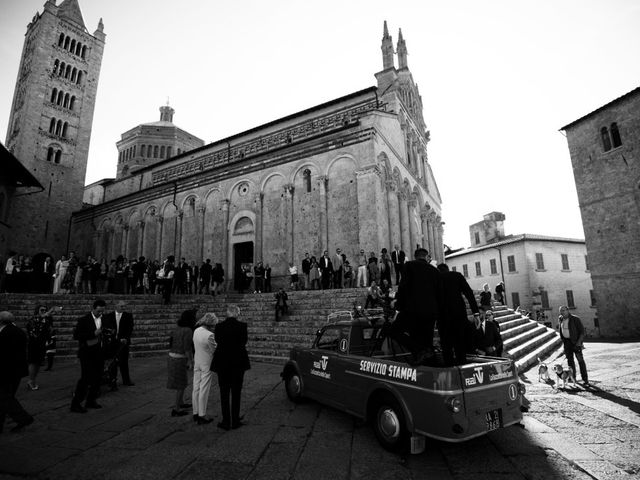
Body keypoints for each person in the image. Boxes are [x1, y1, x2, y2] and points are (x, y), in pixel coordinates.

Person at [392, 248, 442, 365]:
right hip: (430, 312)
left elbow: (403, 286)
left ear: (415, 256)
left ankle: (419, 351)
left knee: (394, 330)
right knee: (427, 341)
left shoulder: (409, 265)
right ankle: (431, 369)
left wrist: (398, 307)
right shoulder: (435, 271)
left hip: (412, 310)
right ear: (426, 257)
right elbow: (440, 294)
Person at [211, 304, 250, 431]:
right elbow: (244, 341)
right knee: (236, 392)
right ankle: (235, 419)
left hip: (222, 362)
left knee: (224, 392)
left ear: (227, 313)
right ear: (237, 313)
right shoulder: (242, 326)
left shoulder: (219, 326)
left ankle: (226, 421)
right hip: (238, 362)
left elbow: (217, 340)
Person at [437, 263, 480, 365]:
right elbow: (469, 293)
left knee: (446, 345)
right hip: (459, 314)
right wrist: (476, 313)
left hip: (443, 316)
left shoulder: (436, 277)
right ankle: (462, 367)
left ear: (438, 270)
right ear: (448, 269)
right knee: (460, 343)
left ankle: (450, 369)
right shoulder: (457, 275)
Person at [70, 299, 107, 413]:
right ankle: (76, 403)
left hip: (100, 352)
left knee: (98, 378)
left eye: (102, 311)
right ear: (93, 308)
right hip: (87, 353)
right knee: (85, 378)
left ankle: (91, 400)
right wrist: (93, 334)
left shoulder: (104, 319)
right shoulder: (84, 320)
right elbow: (77, 335)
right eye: (98, 311)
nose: (100, 313)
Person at [0, 311, 34, 433]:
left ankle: (24, 418)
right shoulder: (19, 331)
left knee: (4, 397)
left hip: (6, 371)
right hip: (17, 370)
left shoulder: (4, 333)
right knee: (7, 396)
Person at [167, 309, 196, 417]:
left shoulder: (176, 328)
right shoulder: (188, 330)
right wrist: (191, 360)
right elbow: (187, 348)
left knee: (181, 382)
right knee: (181, 384)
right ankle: (176, 409)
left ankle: (181, 402)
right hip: (179, 358)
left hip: (172, 356)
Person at [102, 300, 135, 388]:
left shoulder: (128, 316)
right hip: (112, 343)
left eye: (124, 306)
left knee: (124, 362)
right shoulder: (108, 316)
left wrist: (126, 338)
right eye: (121, 306)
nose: (123, 308)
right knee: (113, 363)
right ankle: (113, 381)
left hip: (123, 342)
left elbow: (130, 328)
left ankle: (126, 380)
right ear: (116, 306)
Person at [26, 305, 59, 390]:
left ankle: (33, 380)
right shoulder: (33, 319)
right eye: (42, 310)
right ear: (37, 311)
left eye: (45, 310)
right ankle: (31, 381)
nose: (44, 311)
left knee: (38, 363)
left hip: (42, 344)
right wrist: (43, 317)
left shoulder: (47, 320)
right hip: (34, 344)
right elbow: (34, 333)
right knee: (33, 362)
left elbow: (50, 330)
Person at [192, 313, 217, 424]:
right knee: (204, 388)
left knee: (196, 387)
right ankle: (202, 414)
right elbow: (214, 349)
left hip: (197, 361)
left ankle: (195, 412)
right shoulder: (210, 335)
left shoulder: (196, 331)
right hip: (206, 363)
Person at [558, 305, 589, 386]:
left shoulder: (575, 319)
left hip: (576, 342)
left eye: (564, 310)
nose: (562, 312)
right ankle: (573, 378)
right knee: (570, 362)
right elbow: (562, 331)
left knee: (580, 361)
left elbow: (582, 332)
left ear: (568, 310)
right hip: (567, 343)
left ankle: (585, 379)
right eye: (561, 311)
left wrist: (579, 342)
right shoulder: (561, 319)